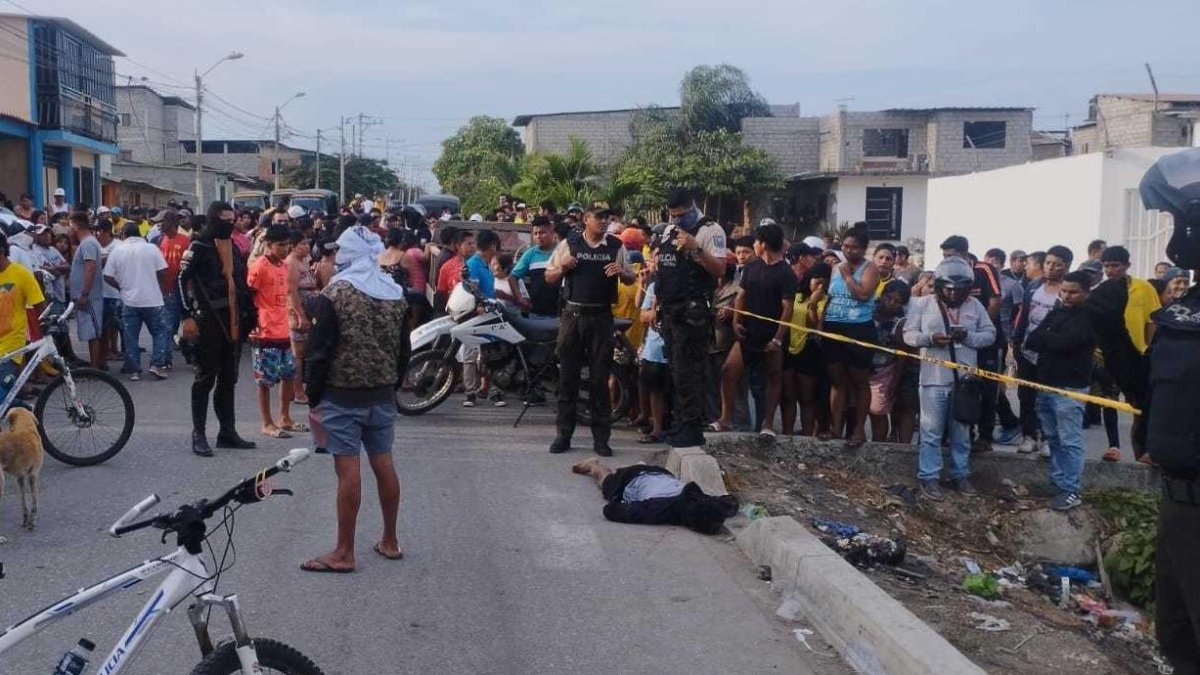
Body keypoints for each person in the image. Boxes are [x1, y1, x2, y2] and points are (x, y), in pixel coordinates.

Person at [301, 225, 409, 574]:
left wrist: (312, 395)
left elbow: (318, 352)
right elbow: (403, 349)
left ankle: (344, 552)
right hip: (381, 394)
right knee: (384, 465)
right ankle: (390, 540)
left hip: (342, 396)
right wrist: (392, 387)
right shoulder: (394, 292)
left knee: (348, 472)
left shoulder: (336, 294)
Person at [904, 257, 995, 501]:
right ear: (940, 285)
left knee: (961, 433)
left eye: (959, 290)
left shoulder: (975, 306)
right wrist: (930, 339)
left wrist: (968, 337)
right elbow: (909, 335)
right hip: (933, 379)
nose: (954, 294)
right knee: (931, 431)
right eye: (949, 289)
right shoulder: (921, 304)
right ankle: (929, 477)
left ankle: (960, 475)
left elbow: (990, 335)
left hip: (965, 381)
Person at [545, 207, 635, 455]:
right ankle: (563, 436)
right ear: (586, 220)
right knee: (568, 379)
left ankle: (601, 439)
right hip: (573, 316)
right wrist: (563, 268)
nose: (605, 221)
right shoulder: (569, 244)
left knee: (599, 379)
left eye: (608, 218)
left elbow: (631, 278)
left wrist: (622, 272)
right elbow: (549, 277)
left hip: (602, 317)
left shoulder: (616, 246)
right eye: (599, 217)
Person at [179, 201, 258, 456]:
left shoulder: (232, 245)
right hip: (208, 318)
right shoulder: (199, 245)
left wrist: (250, 313)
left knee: (228, 379)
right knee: (205, 378)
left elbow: (240, 281)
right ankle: (198, 434)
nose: (229, 223)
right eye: (224, 219)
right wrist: (186, 316)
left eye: (231, 219)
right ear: (214, 219)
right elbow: (181, 279)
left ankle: (227, 431)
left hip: (233, 320)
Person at [653, 187, 728, 448]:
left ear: (691, 206)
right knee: (675, 372)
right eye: (672, 215)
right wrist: (656, 305)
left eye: (681, 215)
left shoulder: (710, 230)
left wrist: (696, 249)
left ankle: (693, 428)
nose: (676, 220)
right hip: (670, 311)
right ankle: (679, 425)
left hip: (692, 313)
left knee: (690, 373)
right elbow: (664, 271)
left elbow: (719, 269)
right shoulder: (668, 231)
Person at [1024, 270, 1095, 511]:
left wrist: (1049, 338)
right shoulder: (1056, 311)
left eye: (1073, 292)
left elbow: (1065, 343)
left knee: (1069, 440)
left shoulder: (1088, 317)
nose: (1066, 296)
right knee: (1052, 437)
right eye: (1064, 291)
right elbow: (1032, 340)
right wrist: (1051, 338)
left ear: (1086, 292)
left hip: (1070, 387)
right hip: (1046, 384)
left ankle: (1071, 490)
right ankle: (1058, 483)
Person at [1086, 245, 1160, 464]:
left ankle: (1143, 453)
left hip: (1138, 354)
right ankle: (1113, 446)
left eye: (1115, 265)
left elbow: (1152, 320)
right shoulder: (1101, 291)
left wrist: (1148, 348)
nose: (1111, 270)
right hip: (1107, 354)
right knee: (1109, 399)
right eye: (1107, 266)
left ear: (1126, 265)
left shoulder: (1143, 288)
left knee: (1140, 406)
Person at [725, 222, 794, 437]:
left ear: (763, 244)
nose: (754, 245)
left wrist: (778, 339)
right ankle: (725, 417)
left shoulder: (785, 273)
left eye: (756, 241)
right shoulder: (752, 267)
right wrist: (736, 321)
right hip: (748, 333)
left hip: (772, 336)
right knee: (728, 371)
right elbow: (741, 296)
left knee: (773, 380)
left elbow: (787, 308)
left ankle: (768, 424)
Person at [569, 457, 739, 533]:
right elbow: (611, 510)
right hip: (631, 479)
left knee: (628, 478)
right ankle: (594, 465)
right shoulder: (662, 508)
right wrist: (617, 500)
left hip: (660, 474)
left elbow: (730, 501)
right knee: (606, 483)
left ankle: (631, 468)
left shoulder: (697, 495)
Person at [822, 226, 879, 447]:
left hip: (858, 328)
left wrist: (847, 277)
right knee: (837, 381)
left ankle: (857, 431)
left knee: (860, 383)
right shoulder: (836, 267)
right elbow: (830, 297)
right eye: (845, 246)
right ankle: (835, 428)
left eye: (854, 247)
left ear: (863, 249)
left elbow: (864, 294)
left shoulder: (869, 268)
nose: (848, 251)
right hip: (833, 327)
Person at [1013, 245, 1073, 456]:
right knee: (1026, 395)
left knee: (1047, 398)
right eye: (1048, 263)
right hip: (1027, 350)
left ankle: (1049, 438)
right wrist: (1017, 342)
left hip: (1051, 355)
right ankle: (1029, 436)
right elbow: (1024, 316)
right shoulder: (1033, 286)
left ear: (1067, 266)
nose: (1051, 268)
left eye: (1057, 264)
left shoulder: (1068, 292)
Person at [247, 224, 304, 439]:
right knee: (265, 380)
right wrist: (251, 325)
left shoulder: (283, 266)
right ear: (269, 245)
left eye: (287, 245)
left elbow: (287, 293)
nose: (285, 249)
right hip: (264, 331)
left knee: (289, 374)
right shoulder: (259, 266)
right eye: (281, 245)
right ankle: (266, 422)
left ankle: (284, 417)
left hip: (283, 329)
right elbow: (250, 297)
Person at [103, 222, 170, 381]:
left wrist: (120, 287)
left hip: (129, 301)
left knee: (130, 336)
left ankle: (134, 370)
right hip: (153, 299)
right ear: (139, 233)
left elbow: (107, 276)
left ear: (123, 235)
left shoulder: (117, 251)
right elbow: (162, 271)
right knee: (160, 332)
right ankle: (157, 364)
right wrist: (160, 288)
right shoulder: (152, 249)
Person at [781, 262, 830, 437]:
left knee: (807, 398)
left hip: (809, 350)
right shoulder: (795, 294)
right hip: (788, 346)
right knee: (787, 396)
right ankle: (786, 435)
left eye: (825, 283)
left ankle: (807, 436)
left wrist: (813, 304)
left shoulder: (825, 300)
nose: (820, 286)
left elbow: (815, 326)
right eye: (817, 281)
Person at [0, 232, 46, 401]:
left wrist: (46, 324)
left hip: (10, 345)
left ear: (2, 251)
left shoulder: (22, 275)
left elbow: (39, 304)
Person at [68, 211, 106, 369]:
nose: (68, 231)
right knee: (90, 332)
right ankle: (96, 365)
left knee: (93, 333)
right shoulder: (87, 243)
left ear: (75, 225)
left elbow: (90, 267)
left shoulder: (88, 243)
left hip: (89, 298)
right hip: (87, 297)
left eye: (69, 226)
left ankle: (95, 368)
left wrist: (84, 294)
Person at [158, 210, 190, 366]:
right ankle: (166, 357)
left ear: (171, 224)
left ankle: (189, 355)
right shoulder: (162, 240)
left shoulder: (185, 241)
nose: (159, 225)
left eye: (162, 222)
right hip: (165, 289)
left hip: (180, 289)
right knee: (167, 324)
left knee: (175, 323)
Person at [511, 215, 560, 317]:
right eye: (535, 233)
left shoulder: (561, 251)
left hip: (560, 312)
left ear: (552, 232)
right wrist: (520, 299)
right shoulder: (530, 254)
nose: (538, 236)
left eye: (542, 233)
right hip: (536, 312)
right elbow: (512, 277)